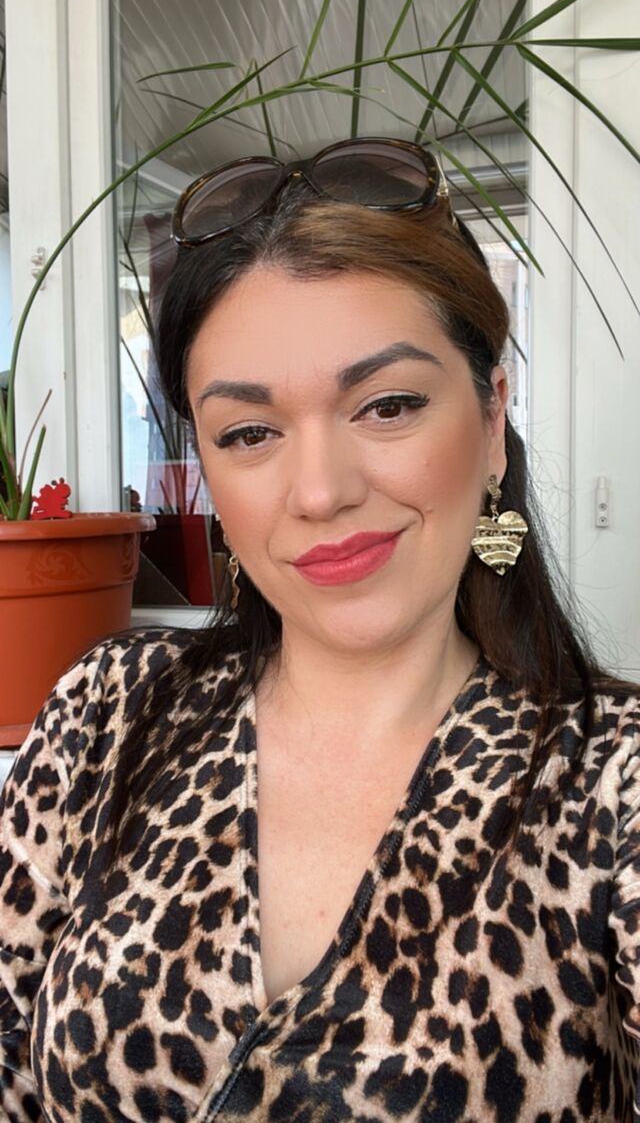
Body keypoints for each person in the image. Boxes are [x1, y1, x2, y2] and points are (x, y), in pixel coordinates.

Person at [0, 137, 638, 1123]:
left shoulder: (612, 782)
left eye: (387, 406)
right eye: (249, 432)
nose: (319, 492)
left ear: (491, 418)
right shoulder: (111, 710)